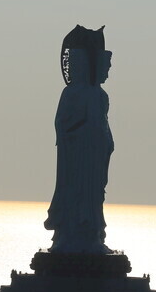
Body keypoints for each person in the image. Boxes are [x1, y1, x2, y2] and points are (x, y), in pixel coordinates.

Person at [44, 46, 114, 253]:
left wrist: (106, 142)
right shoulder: (71, 93)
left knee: (94, 196)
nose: (107, 72)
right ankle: (67, 236)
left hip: (95, 154)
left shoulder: (100, 96)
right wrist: (82, 132)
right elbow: (61, 124)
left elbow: (103, 124)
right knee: (74, 193)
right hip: (77, 154)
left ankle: (94, 236)